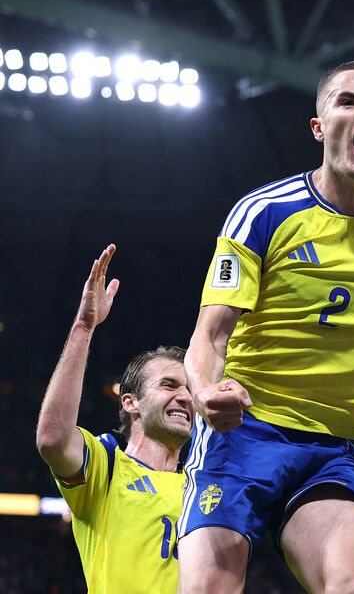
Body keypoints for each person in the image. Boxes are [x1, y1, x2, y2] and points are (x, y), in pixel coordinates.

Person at [177, 59, 354, 594]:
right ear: (319, 127)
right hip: (243, 435)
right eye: (348, 101)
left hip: (334, 453)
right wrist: (204, 393)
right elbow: (210, 335)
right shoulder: (263, 213)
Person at [36, 244, 194, 594]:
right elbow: (53, 439)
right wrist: (83, 327)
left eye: (189, 389)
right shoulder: (106, 466)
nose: (185, 397)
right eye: (169, 385)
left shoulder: (204, 485)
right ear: (130, 402)